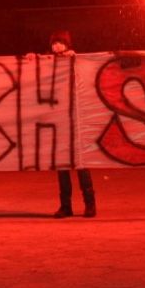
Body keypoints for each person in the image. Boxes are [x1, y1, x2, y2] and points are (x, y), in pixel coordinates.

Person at [46, 30, 96, 219]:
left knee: (82, 164)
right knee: (62, 166)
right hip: (59, 122)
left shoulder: (75, 61)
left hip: (77, 121)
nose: (56, 46)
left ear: (67, 45)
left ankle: (90, 204)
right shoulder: (49, 64)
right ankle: (65, 205)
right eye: (54, 43)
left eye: (59, 43)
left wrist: (74, 58)